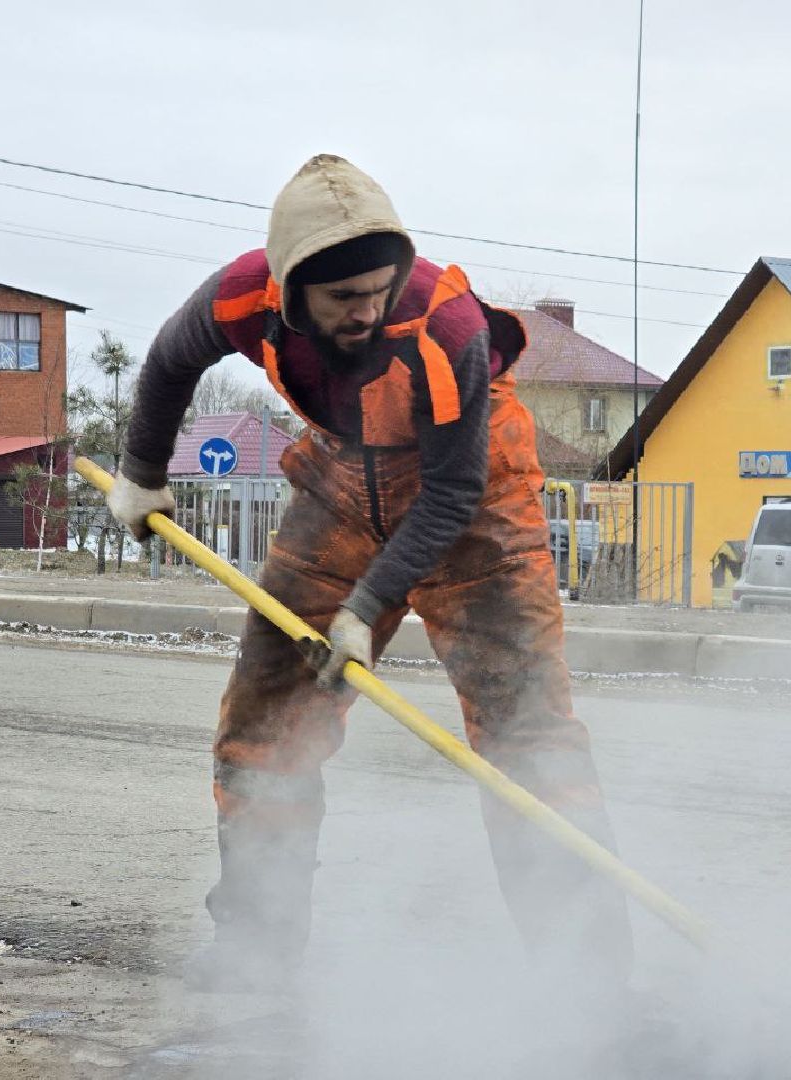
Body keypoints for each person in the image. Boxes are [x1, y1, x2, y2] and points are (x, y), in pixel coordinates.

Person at [107, 154, 631, 992]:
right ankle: (255, 953)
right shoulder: (241, 293)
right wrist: (140, 471)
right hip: (342, 483)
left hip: (476, 498)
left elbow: (454, 490)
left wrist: (368, 605)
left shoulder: (445, 326)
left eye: (379, 289)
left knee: (528, 735)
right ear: (290, 289)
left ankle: (588, 981)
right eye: (344, 298)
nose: (368, 310)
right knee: (267, 724)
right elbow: (172, 361)